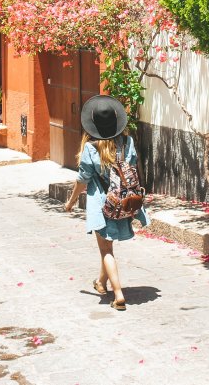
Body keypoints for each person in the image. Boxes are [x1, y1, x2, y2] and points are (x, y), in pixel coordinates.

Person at [63, 94, 148, 311]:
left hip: (102, 204)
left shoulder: (92, 148)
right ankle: (101, 282)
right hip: (123, 201)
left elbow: (83, 180)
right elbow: (134, 166)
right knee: (106, 244)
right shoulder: (127, 142)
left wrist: (71, 202)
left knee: (105, 250)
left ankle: (118, 295)